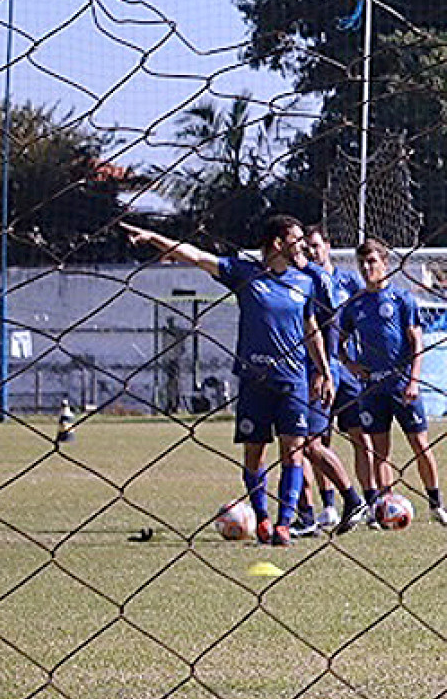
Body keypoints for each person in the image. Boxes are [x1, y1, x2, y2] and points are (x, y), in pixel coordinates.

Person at [125, 215, 331, 547]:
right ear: (277, 243)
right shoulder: (245, 274)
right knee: (254, 453)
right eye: (295, 238)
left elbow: (311, 329)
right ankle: (262, 519)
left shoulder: (305, 282)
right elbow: (195, 255)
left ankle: (284, 524)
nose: (302, 245)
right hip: (253, 382)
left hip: (293, 382)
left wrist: (323, 370)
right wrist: (154, 238)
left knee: (293, 452)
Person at [338, 236, 446, 523]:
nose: (366, 267)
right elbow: (340, 342)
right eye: (362, 262)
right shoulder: (354, 305)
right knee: (379, 452)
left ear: (385, 263)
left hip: (401, 387)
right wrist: (350, 364)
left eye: (372, 261)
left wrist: (413, 380)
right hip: (373, 388)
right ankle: (386, 504)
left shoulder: (402, 299)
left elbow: (416, 342)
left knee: (420, 445)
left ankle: (436, 504)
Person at [302, 226, 370, 532]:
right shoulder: (304, 282)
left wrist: (356, 362)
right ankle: (329, 505)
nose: (312, 252)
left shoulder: (348, 282)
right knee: (319, 437)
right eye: (307, 248)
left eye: (316, 246)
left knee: (361, 435)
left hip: (346, 371)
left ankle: (371, 500)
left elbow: (365, 322)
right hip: (319, 367)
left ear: (327, 246)